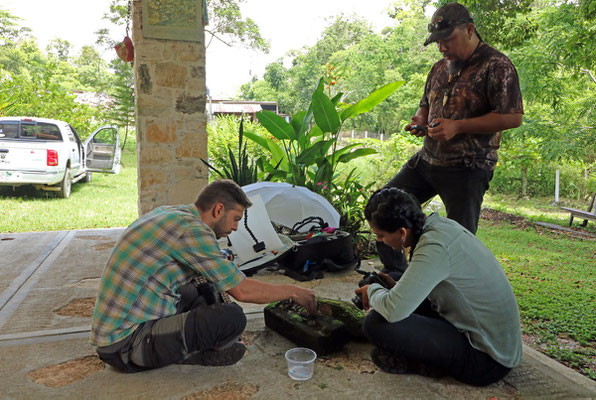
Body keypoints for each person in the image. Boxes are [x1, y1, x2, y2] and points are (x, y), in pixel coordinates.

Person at [90, 179, 317, 372]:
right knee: (232, 317)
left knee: (205, 286)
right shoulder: (193, 231)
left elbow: (199, 264)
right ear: (218, 210)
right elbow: (242, 291)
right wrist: (293, 292)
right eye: (236, 218)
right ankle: (188, 353)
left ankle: (185, 339)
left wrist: (219, 266)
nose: (236, 227)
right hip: (124, 345)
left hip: (122, 325)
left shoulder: (173, 213)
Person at [378, 2, 524, 275]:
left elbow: (512, 117)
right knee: (384, 205)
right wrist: (420, 120)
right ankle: (397, 277)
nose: (442, 47)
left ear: (469, 29)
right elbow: (425, 103)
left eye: (447, 40)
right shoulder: (439, 68)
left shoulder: (497, 65)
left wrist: (458, 126)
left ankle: (453, 297)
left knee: (459, 240)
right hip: (427, 160)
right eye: (437, 42)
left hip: (468, 167)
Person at [356, 188, 522, 386]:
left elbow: (393, 310)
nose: (379, 241)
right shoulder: (441, 227)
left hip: (485, 361)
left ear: (402, 232)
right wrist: (395, 286)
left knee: (376, 324)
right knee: (395, 280)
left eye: (381, 236)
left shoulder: (433, 248)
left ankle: (427, 363)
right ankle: (431, 358)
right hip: (492, 341)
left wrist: (372, 291)